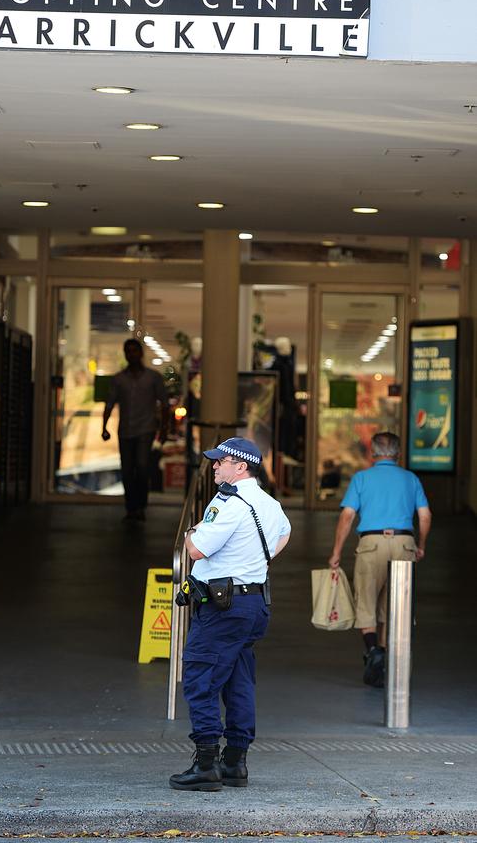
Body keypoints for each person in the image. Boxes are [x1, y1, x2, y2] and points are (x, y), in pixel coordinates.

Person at [170, 437, 291, 792]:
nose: (214, 467)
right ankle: (235, 762)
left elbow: (196, 550)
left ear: (241, 467)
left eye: (220, 461)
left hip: (223, 607)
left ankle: (206, 763)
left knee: (201, 676)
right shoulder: (269, 503)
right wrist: (254, 561)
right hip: (253, 603)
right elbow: (284, 534)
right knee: (239, 680)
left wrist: (192, 531)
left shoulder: (230, 502)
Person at [328, 431, 432, 688]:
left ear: (373, 453)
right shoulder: (411, 478)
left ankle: (373, 650)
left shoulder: (362, 478)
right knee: (395, 605)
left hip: (371, 544)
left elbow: (347, 517)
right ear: (398, 453)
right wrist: (421, 545)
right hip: (404, 543)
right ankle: (385, 656)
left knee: (366, 600)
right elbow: (425, 516)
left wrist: (337, 552)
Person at [102, 338, 169, 521]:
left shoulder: (153, 377)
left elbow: (164, 404)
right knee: (126, 470)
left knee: (141, 466)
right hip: (125, 430)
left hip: (145, 429)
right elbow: (109, 404)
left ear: (141, 353)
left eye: (134, 351)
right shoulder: (118, 379)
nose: (131, 354)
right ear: (125, 355)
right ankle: (131, 507)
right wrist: (104, 427)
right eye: (128, 351)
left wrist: (164, 429)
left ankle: (140, 505)